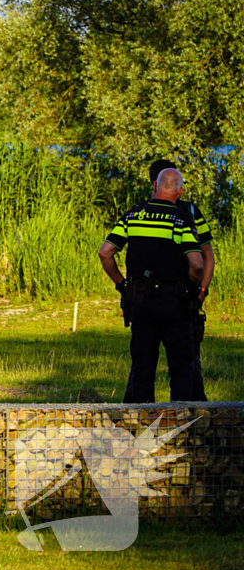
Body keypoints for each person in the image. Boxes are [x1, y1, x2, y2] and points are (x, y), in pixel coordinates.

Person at [98, 168, 205, 402]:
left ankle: (141, 424)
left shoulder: (133, 216)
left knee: (143, 366)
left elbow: (105, 253)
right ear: (180, 191)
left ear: (155, 186)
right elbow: (197, 265)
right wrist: (193, 286)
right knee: (180, 367)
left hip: (140, 302)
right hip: (174, 303)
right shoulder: (181, 220)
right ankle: (181, 425)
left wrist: (122, 285)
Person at [148, 159, 213, 401]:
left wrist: (201, 291)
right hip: (164, 296)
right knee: (150, 365)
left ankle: (195, 412)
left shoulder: (190, 212)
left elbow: (206, 256)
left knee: (187, 363)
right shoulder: (145, 211)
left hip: (183, 297)